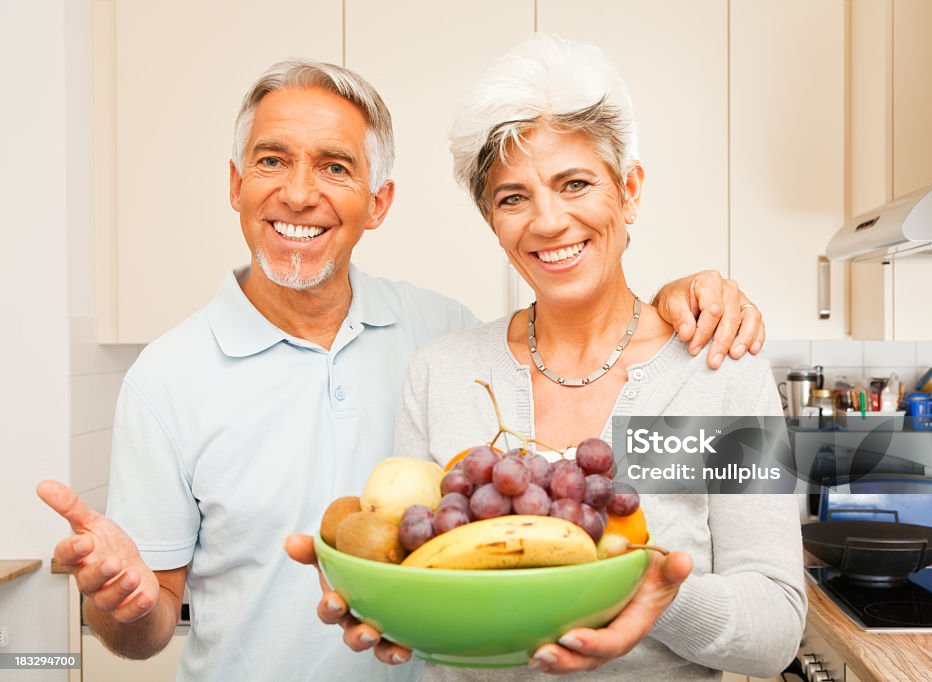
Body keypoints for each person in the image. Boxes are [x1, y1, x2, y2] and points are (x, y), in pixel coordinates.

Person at [38, 59, 766, 681]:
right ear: (235, 184)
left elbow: (773, 618)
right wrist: (119, 601)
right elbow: (146, 626)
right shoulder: (172, 378)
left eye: (335, 166)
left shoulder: (439, 334)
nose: (297, 193)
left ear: (378, 201)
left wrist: (683, 299)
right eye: (271, 159)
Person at [309, 35, 806, 679]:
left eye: (575, 183)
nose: (547, 221)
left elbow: (776, 627)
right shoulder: (444, 372)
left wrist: (651, 594)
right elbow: (419, 574)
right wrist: (388, 607)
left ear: (629, 191)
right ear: (494, 222)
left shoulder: (716, 368)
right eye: (512, 197)